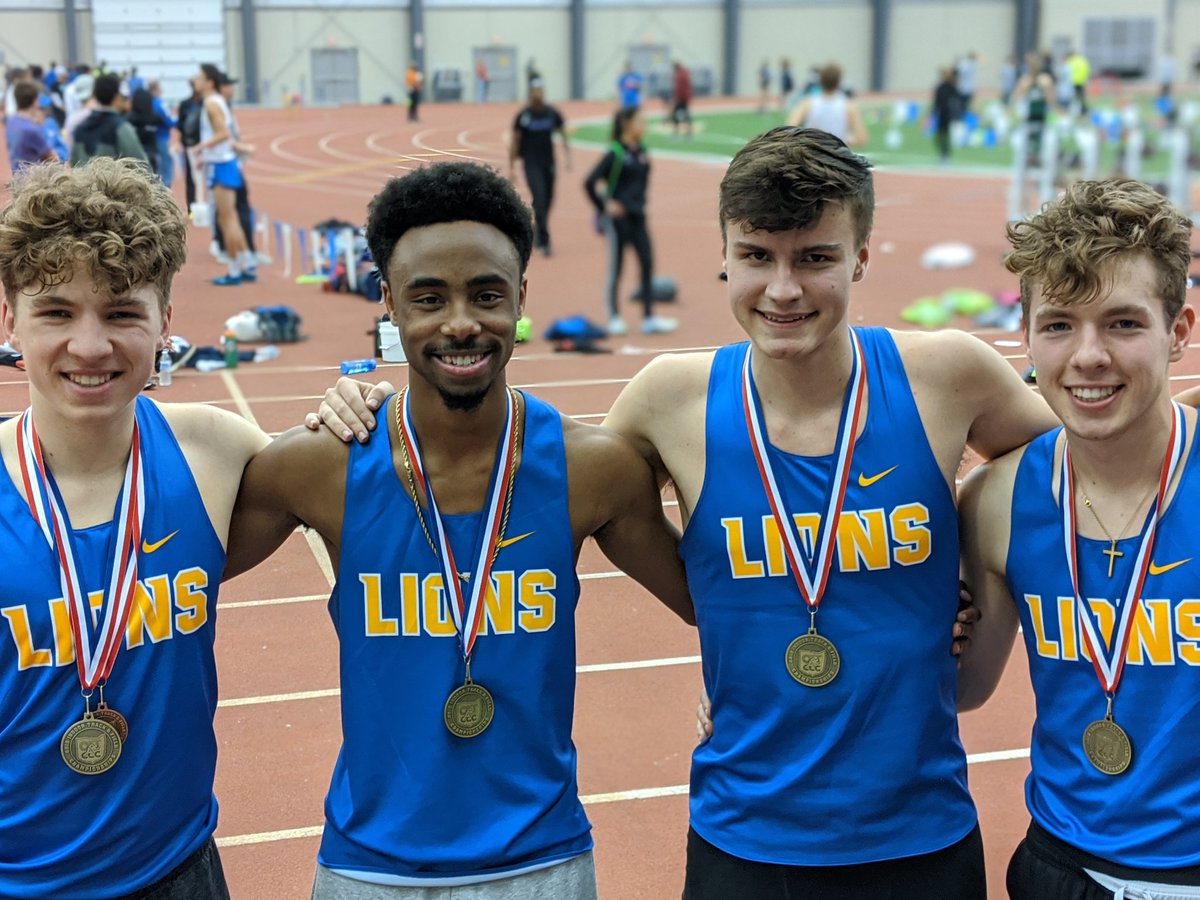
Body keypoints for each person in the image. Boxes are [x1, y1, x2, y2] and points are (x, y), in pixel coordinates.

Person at [316, 127, 1062, 898]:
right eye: (756, 257)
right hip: (744, 839)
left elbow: (1092, 464)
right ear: (725, 255)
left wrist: (976, 559)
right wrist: (373, 406)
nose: (783, 289)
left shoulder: (947, 376)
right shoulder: (669, 400)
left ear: (860, 257)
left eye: (815, 258)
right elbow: (520, 473)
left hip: (922, 835)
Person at [226, 159, 695, 898]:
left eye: (485, 295)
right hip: (368, 868)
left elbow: (725, 603)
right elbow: (154, 571)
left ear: (520, 298)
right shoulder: (317, 466)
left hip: (542, 862)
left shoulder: (593, 470)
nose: (460, 323)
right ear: (387, 302)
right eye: (428, 298)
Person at [0, 157, 268, 898]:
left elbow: (373, 481)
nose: (90, 346)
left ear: (164, 325)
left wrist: (357, 406)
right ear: (9, 318)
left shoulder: (217, 450)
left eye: (121, 312)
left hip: (179, 873)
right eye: (56, 311)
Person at [957, 178, 1200, 899]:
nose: (1087, 356)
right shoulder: (997, 501)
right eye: (1059, 325)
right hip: (1062, 869)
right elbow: (965, 689)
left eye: (1123, 324)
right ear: (1027, 336)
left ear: (1178, 331)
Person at [584, 107, 677, 338]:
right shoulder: (615, 153)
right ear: (626, 124)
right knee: (617, 267)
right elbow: (589, 182)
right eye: (640, 121)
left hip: (639, 217)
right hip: (618, 222)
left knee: (646, 262)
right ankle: (614, 316)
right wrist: (605, 206)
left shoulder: (642, 151)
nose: (644, 125)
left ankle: (648, 317)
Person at [193, 63, 252, 285]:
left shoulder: (210, 103)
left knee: (226, 219)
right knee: (231, 217)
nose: (195, 80)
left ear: (209, 82)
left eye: (199, 77)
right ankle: (245, 263)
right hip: (222, 163)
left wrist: (201, 148)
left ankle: (235, 269)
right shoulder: (217, 101)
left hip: (221, 165)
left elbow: (223, 133)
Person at [509, 77, 570, 257]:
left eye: (541, 90)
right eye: (535, 91)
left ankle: (539, 224)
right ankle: (545, 240)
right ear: (530, 93)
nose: (538, 94)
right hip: (531, 163)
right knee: (540, 198)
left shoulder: (551, 113)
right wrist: (512, 166)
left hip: (548, 163)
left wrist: (567, 156)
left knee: (547, 199)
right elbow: (515, 140)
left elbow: (563, 131)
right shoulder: (524, 116)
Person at [69, 72, 147, 167]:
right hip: (113, 182)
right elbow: (142, 167)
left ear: (95, 95)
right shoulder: (121, 128)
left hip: (84, 181)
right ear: (117, 96)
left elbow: (74, 165)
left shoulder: (80, 129)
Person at [786, 64, 868, 146]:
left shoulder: (807, 103)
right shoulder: (849, 106)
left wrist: (806, 140)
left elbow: (789, 130)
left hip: (813, 152)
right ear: (839, 81)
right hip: (837, 153)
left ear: (820, 80)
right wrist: (847, 140)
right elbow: (861, 139)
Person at [5, 81, 56, 172]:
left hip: (16, 175)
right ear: (36, 101)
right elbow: (52, 157)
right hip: (32, 179)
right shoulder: (31, 129)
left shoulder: (10, 122)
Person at [126, 85, 166, 173]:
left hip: (134, 156)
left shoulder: (129, 118)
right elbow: (167, 123)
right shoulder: (155, 116)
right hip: (152, 154)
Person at [932, 66, 962, 164]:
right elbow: (936, 102)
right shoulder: (941, 87)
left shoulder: (951, 87)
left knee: (947, 135)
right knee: (941, 135)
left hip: (948, 114)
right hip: (943, 114)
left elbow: (957, 100)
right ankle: (943, 153)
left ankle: (946, 154)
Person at [670, 61, 694, 138]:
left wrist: (677, 98)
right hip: (685, 98)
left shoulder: (679, 76)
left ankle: (676, 133)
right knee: (686, 115)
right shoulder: (685, 74)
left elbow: (679, 89)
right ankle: (688, 133)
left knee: (676, 115)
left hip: (681, 99)